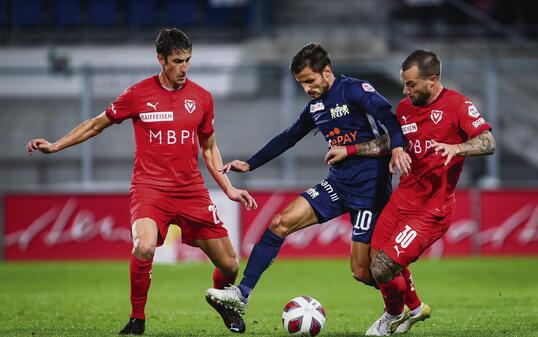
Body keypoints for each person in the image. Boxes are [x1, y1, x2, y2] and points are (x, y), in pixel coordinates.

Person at [26, 28, 257, 335]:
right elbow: (96, 125)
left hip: (191, 192)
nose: (184, 68)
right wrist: (55, 145)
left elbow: (209, 148)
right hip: (150, 190)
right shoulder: (137, 95)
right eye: (177, 61)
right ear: (161, 60)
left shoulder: (202, 98)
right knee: (144, 245)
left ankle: (223, 302)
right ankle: (137, 319)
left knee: (230, 266)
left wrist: (228, 188)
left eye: (188, 60)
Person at [205, 43, 410, 330]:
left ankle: (408, 304)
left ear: (327, 71)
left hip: (370, 190)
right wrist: (250, 164)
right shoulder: (315, 107)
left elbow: (391, 120)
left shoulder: (355, 90)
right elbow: (288, 137)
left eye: (310, 81)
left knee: (363, 272)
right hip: (338, 184)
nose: (307, 88)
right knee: (280, 222)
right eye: (301, 83)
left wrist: (398, 148)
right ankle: (242, 294)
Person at [352, 50, 494, 336]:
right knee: (368, 266)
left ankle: (392, 317)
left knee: (383, 269)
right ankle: (415, 308)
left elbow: (487, 141)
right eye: (404, 84)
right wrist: (357, 150)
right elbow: (393, 140)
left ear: (432, 80)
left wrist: (457, 147)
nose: (405, 91)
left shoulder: (458, 105)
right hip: (402, 199)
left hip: (432, 211)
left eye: (411, 84)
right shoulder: (405, 107)